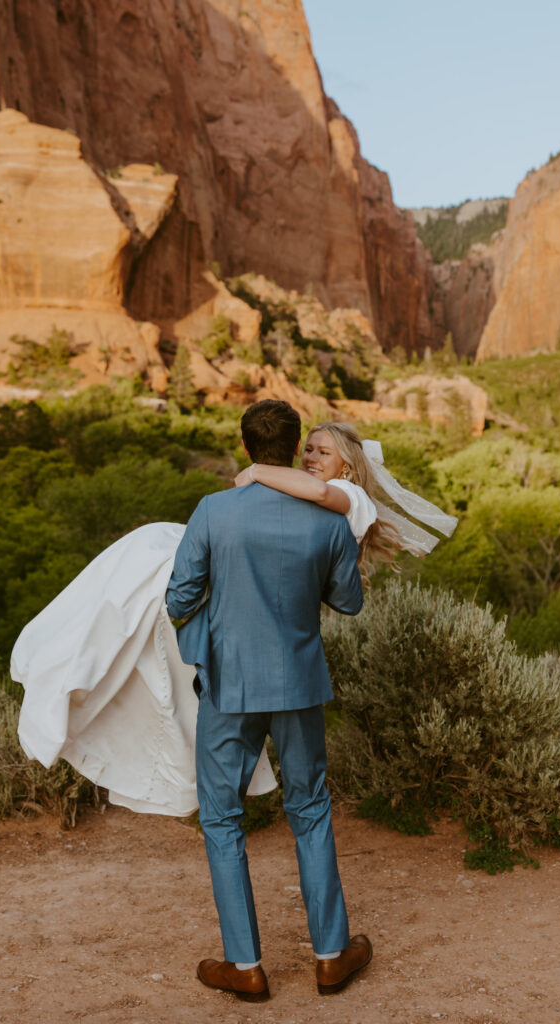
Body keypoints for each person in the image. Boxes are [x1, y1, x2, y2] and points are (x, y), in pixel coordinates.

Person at [12, 413, 456, 821]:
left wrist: (258, 471)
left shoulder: (348, 497)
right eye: (309, 449)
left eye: (324, 451)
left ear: (348, 466)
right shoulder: (316, 502)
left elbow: (318, 497)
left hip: (238, 616)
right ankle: (81, 650)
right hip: (276, 632)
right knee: (138, 564)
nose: (312, 457)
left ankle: (73, 659)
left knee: (141, 570)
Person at [165, 400, 371, 1002]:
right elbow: (349, 602)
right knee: (309, 808)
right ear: (291, 448)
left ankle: (245, 965)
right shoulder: (328, 521)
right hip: (300, 683)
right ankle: (332, 956)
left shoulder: (214, 510)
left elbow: (179, 598)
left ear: (248, 446)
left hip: (230, 683)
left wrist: (210, 620)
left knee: (222, 816)